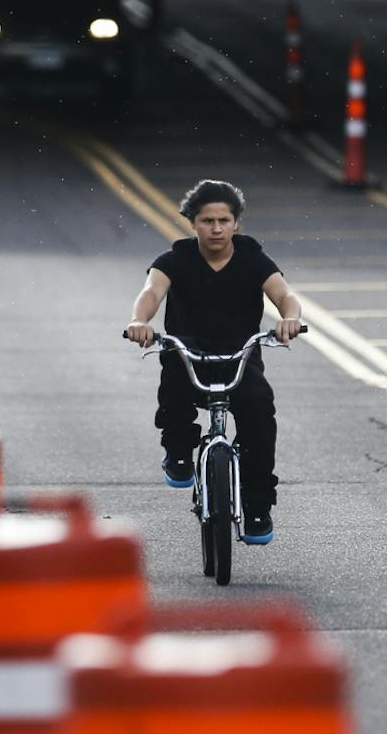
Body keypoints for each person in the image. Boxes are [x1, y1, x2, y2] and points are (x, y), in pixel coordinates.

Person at [124, 179, 303, 544]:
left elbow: (284, 294)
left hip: (239, 354)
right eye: (207, 220)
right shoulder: (173, 260)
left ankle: (256, 506)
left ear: (236, 223)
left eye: (224, 220)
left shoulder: (253, 257)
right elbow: (151, 292)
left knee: (258, 413)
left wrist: (290, 319)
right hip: (189, 352)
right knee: (173, 379)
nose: (216, 228)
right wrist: (139, 322)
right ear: (193, 223)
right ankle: (177, 451)